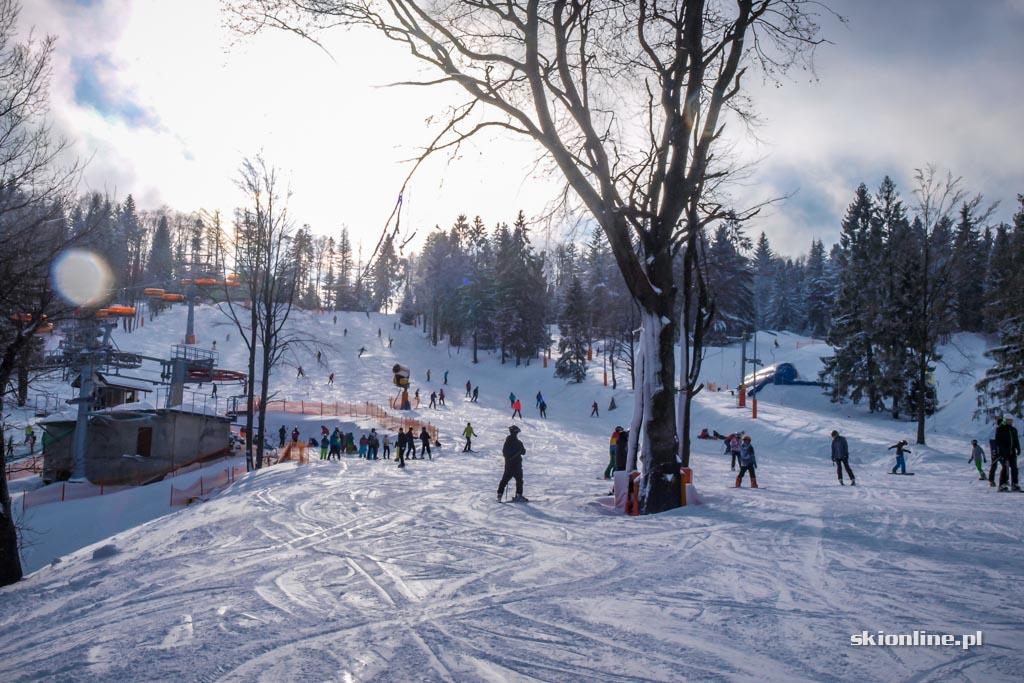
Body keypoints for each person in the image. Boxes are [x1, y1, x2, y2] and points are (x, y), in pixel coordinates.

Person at [498, 425, 528, 502]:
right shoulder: (515, 443)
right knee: (517, 480)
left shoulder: (510, 442)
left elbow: (523, 452)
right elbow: (506, 453)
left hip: (511, 465)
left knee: (507, 480)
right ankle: (517, 495)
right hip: (514, 465)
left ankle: (500, 495)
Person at [994, 417, 1021, 491]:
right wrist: (1000, 452)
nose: (1011, 421)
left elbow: (1016, 440)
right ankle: (1002, 485)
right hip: (1004, 452)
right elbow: (998, 442)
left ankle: (1014, 484)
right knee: (1005, 468)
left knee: (1014, 468)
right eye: (1009, 420)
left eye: (1012, 420)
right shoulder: (1000, 429)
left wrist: (1018, 448)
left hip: (1012, 452)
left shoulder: (1013, 430)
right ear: (1005, 420)